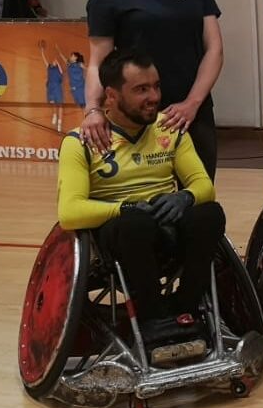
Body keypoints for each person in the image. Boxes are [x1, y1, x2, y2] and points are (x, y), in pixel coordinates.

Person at [56, 48, 223, 341]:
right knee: (136, 223)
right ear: (111, 95)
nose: (155, 97)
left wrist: (184, 197)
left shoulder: (170, 128)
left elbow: (202, 184)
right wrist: (125, 207)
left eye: (156, 86)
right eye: (141, 90)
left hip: (168, 228)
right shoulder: (80, 142)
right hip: (119, 237)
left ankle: (185, 307)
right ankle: (152, 317)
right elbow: (69, 213)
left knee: (210, 213)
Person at [81, 0, 225, 179]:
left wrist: (192, 103)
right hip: (137, 118)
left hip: (192, 114)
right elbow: (99, 62)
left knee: (199, 200)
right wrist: (92, 110)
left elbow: (215, 49)